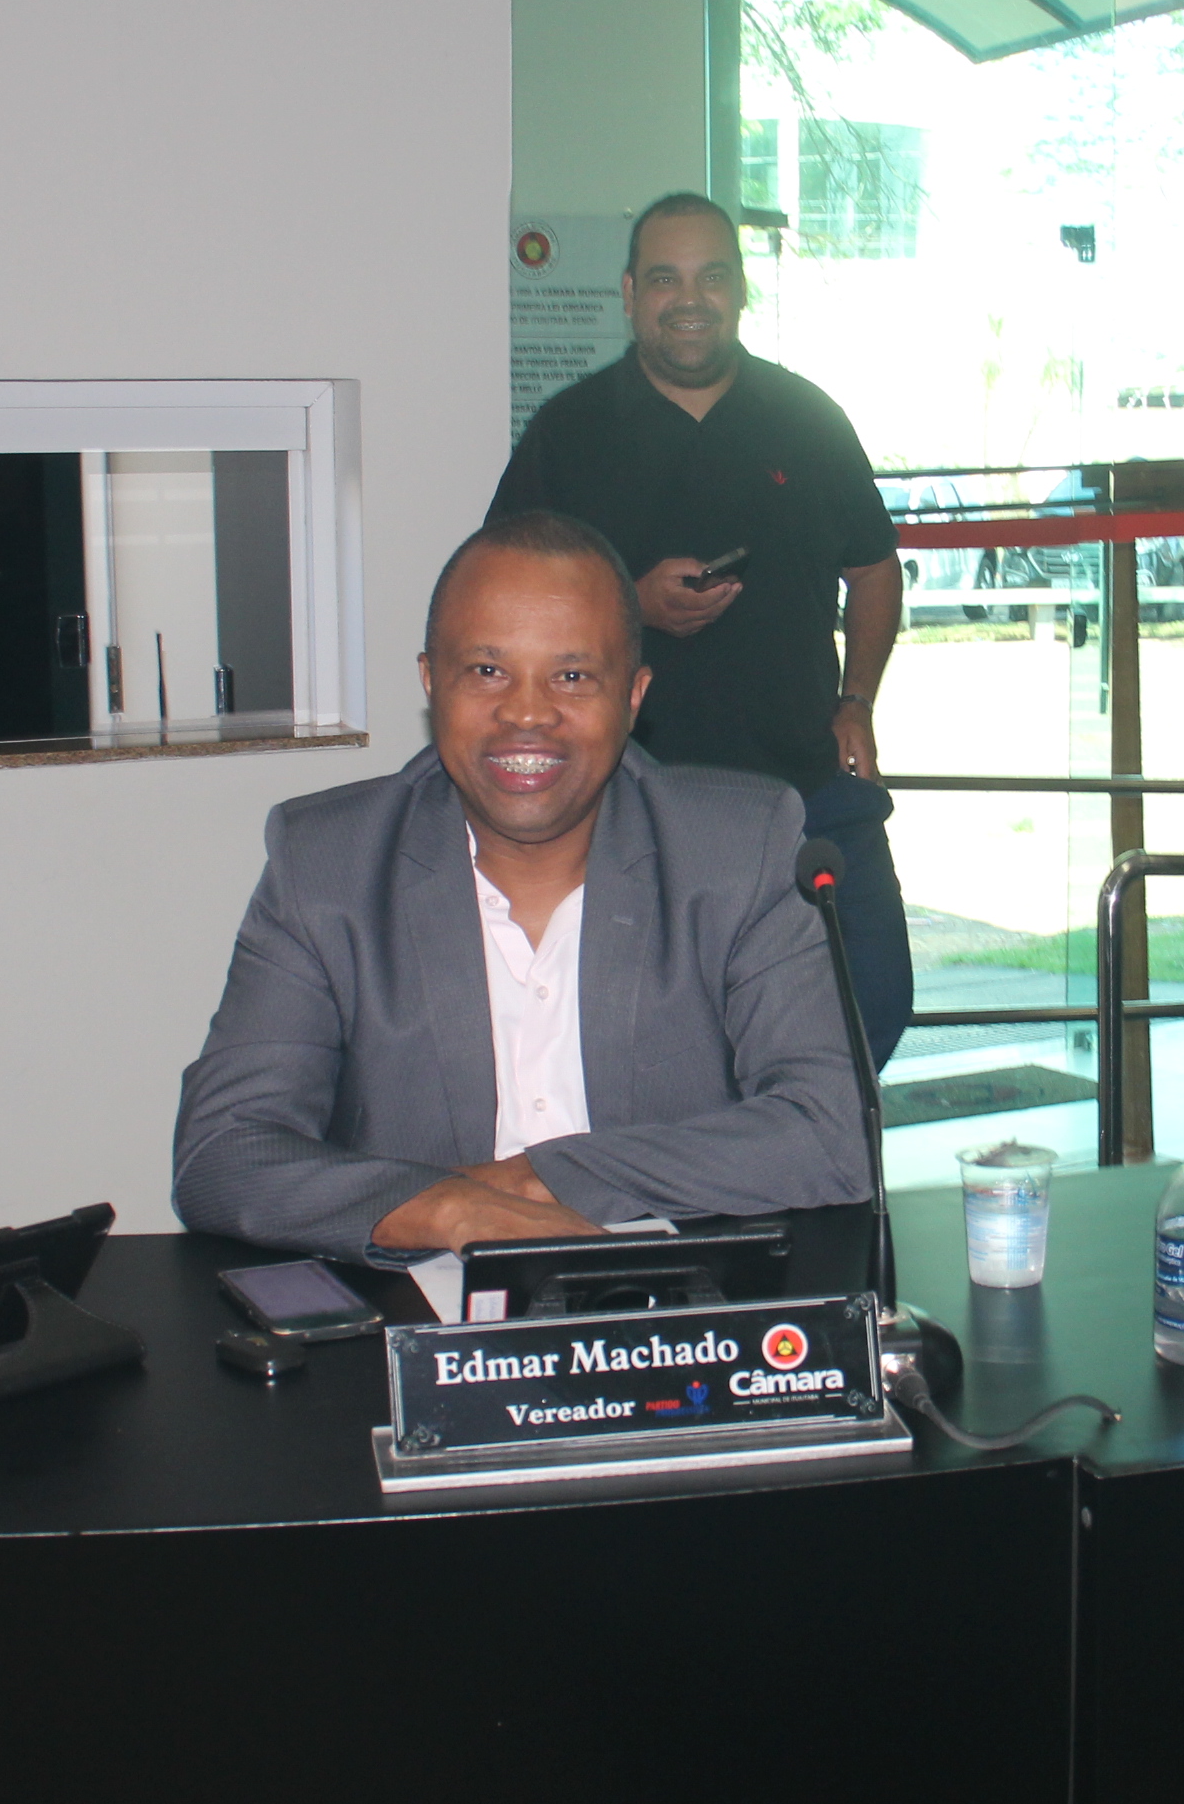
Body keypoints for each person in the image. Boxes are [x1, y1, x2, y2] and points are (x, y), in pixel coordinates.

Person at [169, 512, 873, 1263]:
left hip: (671, 1309)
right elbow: (224, 1153)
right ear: (431, 682)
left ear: (633, 696)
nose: (528, 713)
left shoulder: (737, 849)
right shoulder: (329, 864)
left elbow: (833, 1133)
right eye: (487, 671)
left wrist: (534, 1182)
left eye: (572, 676)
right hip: (413, 1313)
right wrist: (450, 1211)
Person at [487, 190, 913, 1068]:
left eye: (711, 277)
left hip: (804, 792)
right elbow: (502, 601)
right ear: (630, 293)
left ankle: (823, 1151)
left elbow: (874, 570)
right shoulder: (570, 432)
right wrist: (630, 605)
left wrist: (857, 702)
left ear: (741, 288)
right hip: (634, 809)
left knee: (868, 1007)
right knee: (667, 1052)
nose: (690, 300)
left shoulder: (808, 418)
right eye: (665, 279)